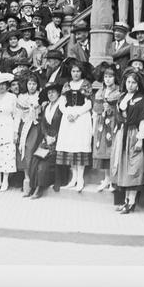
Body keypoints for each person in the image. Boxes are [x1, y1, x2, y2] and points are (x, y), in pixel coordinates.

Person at [111, 69, 144, 213]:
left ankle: (132, 202)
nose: (130, 85)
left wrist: (140, 140)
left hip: (134, 135)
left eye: (134, 82)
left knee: (133, 167)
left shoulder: (141, 100)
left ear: (138, 85)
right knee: (123, 167)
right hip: (122, 134)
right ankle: (126, 201)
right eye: (128, 82)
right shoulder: (122, 97)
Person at [56, 61, 93, 191]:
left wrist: (77, 113)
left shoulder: (86, 84)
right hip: (68, 119)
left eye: (77, 71)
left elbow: (88, 104)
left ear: (81, 72)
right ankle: (74, 177)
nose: (75, 74)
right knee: (71, 147)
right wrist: (68, 113)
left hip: (82, 118)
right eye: (73, 71)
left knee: (79, 147)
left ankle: (81, 178)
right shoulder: (67, 85)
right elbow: (61, 103)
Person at [27, 81, 65, 199]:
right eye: (49, 93)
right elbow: (43, 125)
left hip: (59, 140)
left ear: (58, 94)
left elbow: (64, 125)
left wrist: (55, 137)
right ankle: (32, 187)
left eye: (53, 92)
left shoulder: (62, 107)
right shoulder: (47, 107)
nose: (51, 95)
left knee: (44, 165)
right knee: (34, 160)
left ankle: (40, 188)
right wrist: (46, 137)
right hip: (47, 139)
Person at [92, 64, 121, 192]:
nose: (108, 79)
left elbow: (120, 109)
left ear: (115, 78)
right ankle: (106, 178)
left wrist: (111, 108)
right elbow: (96, 109)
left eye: (110, 77)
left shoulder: (118, 92)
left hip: (113, 123)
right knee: (102, 149)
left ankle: (113, 181)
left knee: (112, 150)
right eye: (106, 77)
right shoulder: (100, 92)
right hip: (101, 124)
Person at [16, 73, 43, 196]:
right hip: (24, 127)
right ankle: (27, 179)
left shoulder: (40, 96)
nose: (31, 86)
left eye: (34, 84)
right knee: (24, 151)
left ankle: (35, 182)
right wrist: (16, 131)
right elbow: (18, 115)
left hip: (36, 127)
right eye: (29, 84)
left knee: (32, 152)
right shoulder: (21, 97)